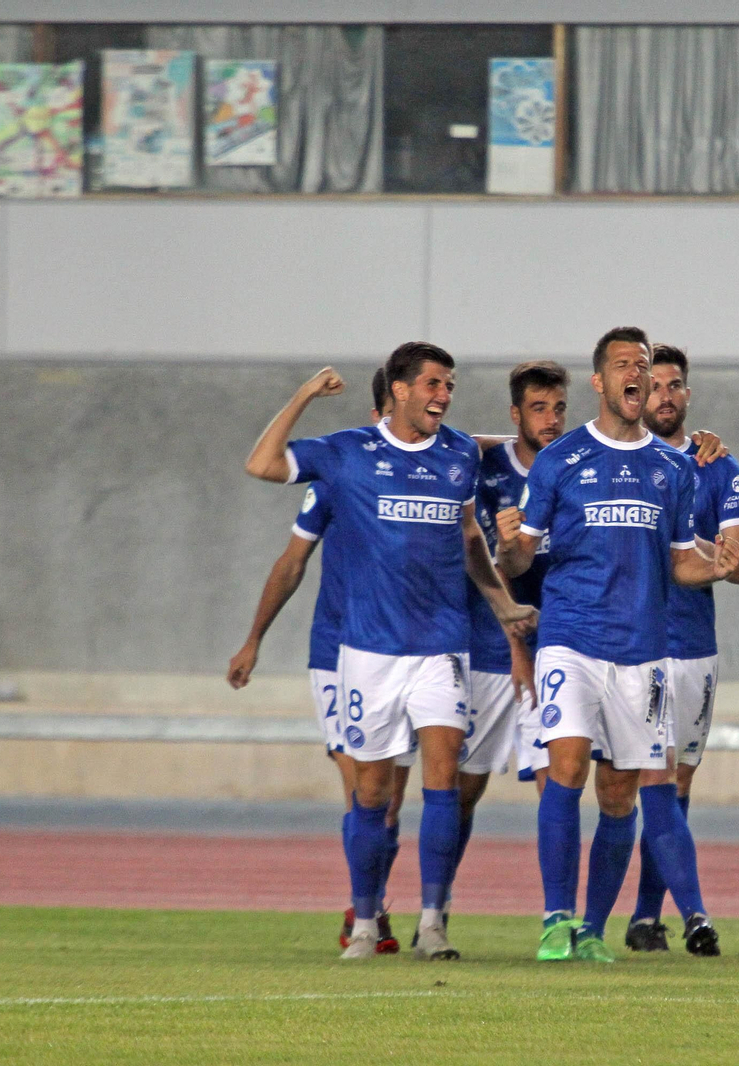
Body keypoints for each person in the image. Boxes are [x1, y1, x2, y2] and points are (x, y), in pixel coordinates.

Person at [244, 344, 537, 962]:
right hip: (368, 653)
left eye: (450, 386)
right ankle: (365, 921)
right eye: (433, 384)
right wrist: (302, 395)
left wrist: (502, 603)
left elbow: (467, 540)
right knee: (373, 795)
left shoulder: (457, 453)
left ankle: (433, 923)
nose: (444, 395)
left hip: (441, 647)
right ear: (399, 390)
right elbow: (262, 463)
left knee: (443, 786)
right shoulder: (347, 453)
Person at [496, 326, 739, 964]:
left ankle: (592, 932)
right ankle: (556, 919)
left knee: (619, 791)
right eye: (624, 365)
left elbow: (681, 560)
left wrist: (717, 564)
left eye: (645, 362)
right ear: (601, 382)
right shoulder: (561, 459)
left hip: (644, 650)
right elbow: (522, 556)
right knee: (568, 766)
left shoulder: (673, 469)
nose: (636, 372)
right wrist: (509, 543)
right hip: (572, 639)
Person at [227, 368, 411, 955]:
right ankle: (366, 912)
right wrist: (254, 637)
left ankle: (371, 903)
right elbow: (292, 563)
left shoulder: (434, 469)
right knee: (362, 786)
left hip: (407, 648)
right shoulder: (339, 474)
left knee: (393, 796)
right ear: (384, 406)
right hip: (339, 650)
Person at [624, 344, 739, 952]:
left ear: (687, 394)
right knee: (640, 783)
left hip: (694, 649)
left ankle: (644, 918)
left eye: (675, 385)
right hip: (632, 646)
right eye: (654, 386)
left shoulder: (719, 469)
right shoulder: (621, 460)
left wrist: (718, 558)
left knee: (675, 788)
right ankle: (692, 914)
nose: (665, 396)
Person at [449, 361, 570, 910]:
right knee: (462, 792)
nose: (551, 419)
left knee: (556, 784)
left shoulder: (574, 465)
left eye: (559, 408)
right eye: (539, 408)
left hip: (555, 652)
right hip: (487, 653)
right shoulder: (484, 465)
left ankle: (557, 918)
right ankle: (437, 903)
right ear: (515, 414)